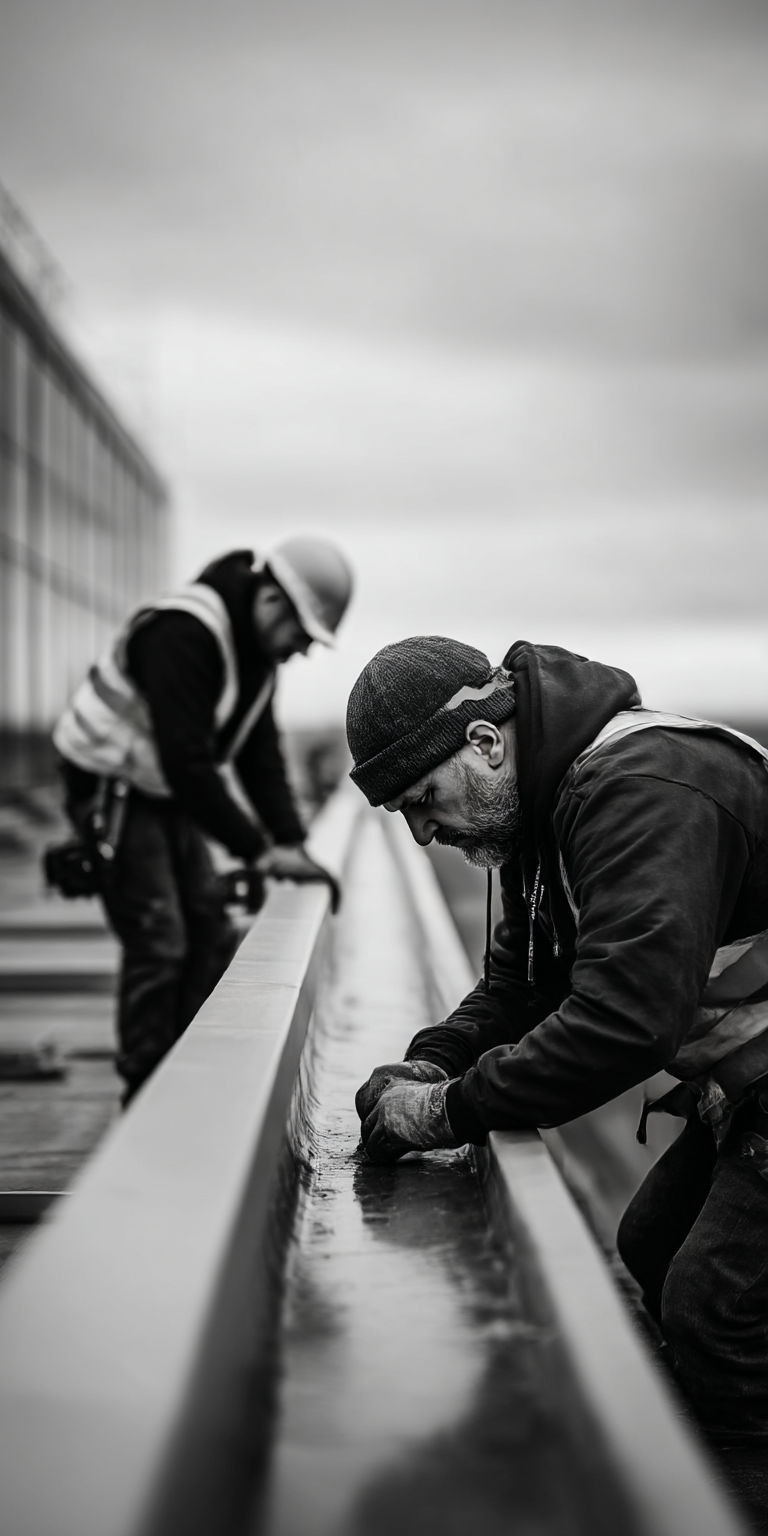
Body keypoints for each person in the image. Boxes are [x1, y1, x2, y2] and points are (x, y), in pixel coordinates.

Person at [346, 633, 768, 1512]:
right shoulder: (540, 812)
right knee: (651, 1246)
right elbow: (519, 986)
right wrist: (430, 1060)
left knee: (716, 1311)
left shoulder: (642, 790)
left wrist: (445, 1111)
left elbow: (624, 1023)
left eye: (423, 800)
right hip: (753, 1077)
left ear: (487, 743)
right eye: (403, 815)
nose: (422, 833)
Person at [53, 536, 353, 1105]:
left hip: (159, 787)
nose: (302, 652)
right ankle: (145, 1095)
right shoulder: (184, 633)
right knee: (159, 938)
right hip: (109, 783)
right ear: (271, 601)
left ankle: (185, 1076)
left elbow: (258, 754)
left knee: (209, 926)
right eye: (301, 635)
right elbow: (188, 764)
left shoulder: (257, 658)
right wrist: (259, 849)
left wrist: (290, 841)